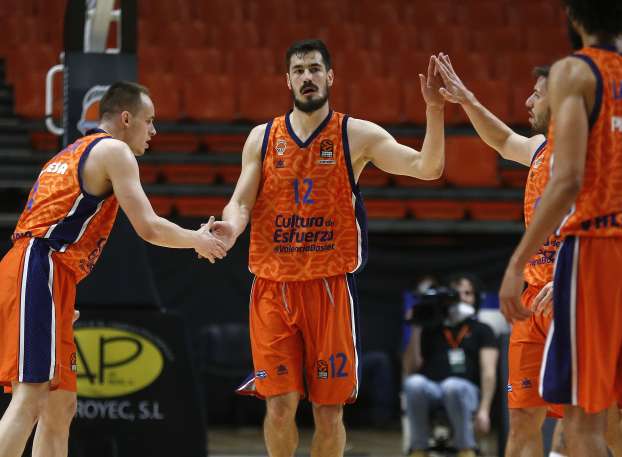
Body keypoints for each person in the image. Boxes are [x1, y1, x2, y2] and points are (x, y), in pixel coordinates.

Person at [207, 39, 446, 457]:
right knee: (278, 407)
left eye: (315, 69)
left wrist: (434, 109)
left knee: (329, 412)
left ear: (330, 76)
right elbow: (241, 201)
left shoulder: (356, 135)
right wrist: (230, 227)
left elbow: (428, 168)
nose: (307, 77)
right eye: (299, 70)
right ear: (287, 81)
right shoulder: (262, 138)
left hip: (329, 288)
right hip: (273, 287)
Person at [0, 81, 226, 457]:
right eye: (149, 121)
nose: (153, 131)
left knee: (60, 406)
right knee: (30, 397)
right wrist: (197, 239)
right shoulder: (115, 151)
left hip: (47, 273)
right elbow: (148, 227)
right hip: (38, 266)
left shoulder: (74, 150)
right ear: (126, 118)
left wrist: (57, 299)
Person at [498, 1, 622, 456]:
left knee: (582, 421)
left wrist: (517, 264)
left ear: (574, 18)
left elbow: (567, 180)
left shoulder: (577, 71)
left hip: (596, 246)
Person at [433, 55, 566, 456]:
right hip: (532, 301)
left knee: (593, 420)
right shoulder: (540, 149)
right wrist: (467, 100)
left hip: (573, 296)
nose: (528, 101)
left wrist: (569, 276)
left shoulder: (595, 158)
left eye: (538, 95)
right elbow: (504, 141)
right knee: (522, 418)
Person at [402, 274, 499, 457]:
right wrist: (416, 327)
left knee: (452, 386)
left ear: (476, 298)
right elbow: (410, 368)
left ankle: (466, 448)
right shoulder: (432, 328)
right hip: (432, 389)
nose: (462, 298)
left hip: (466, 390)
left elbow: (489, 372)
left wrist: (484, 410)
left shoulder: (483, 330)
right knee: (413, 383)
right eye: (456, 293)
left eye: (468, 293)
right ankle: (418, 449)